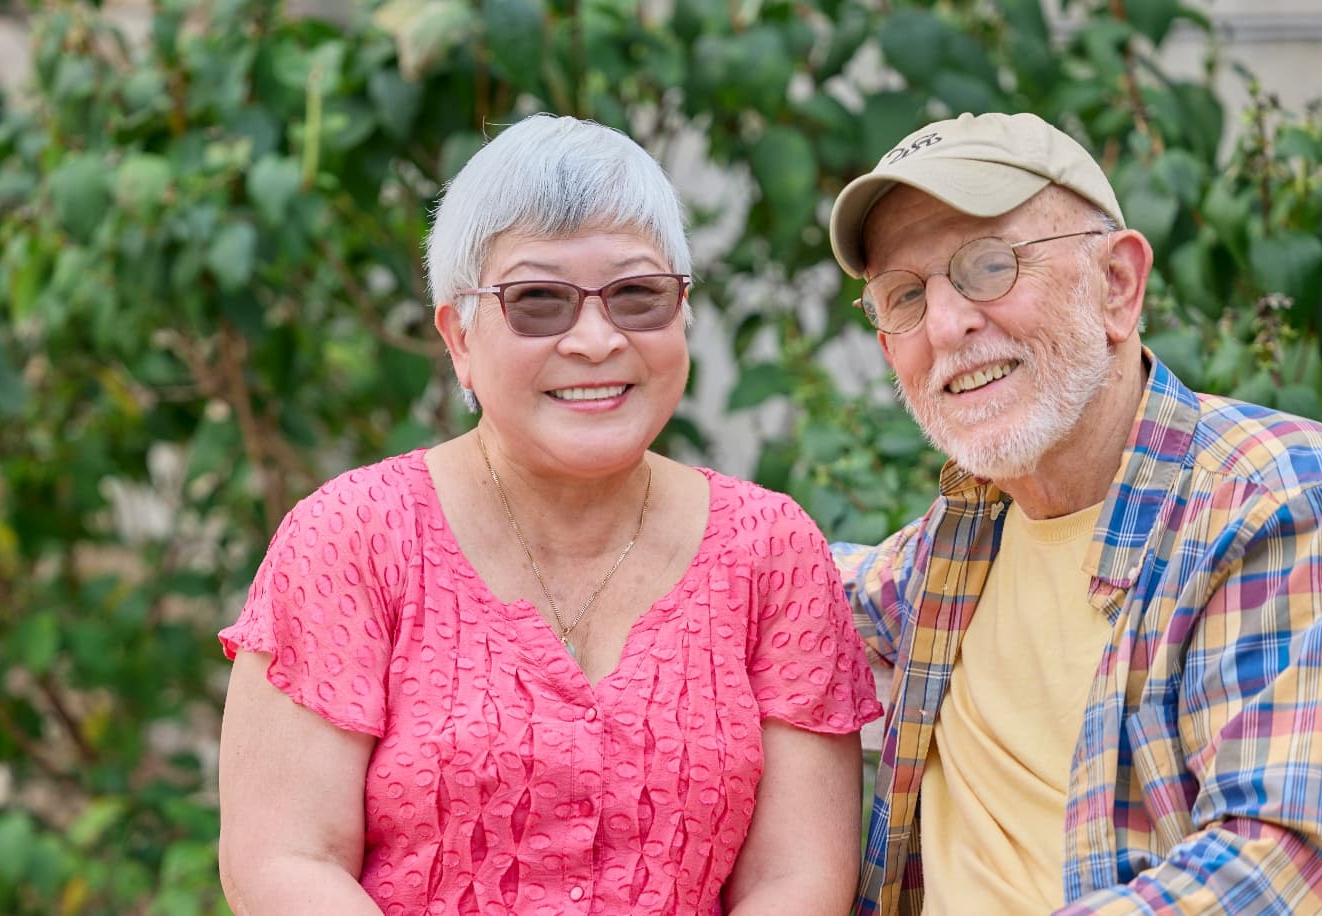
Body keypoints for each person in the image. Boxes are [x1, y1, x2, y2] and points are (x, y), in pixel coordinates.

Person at [217, 114, 882, 915]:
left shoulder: (770, 551)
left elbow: (797, 880)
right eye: (539, 302)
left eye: (639, 295)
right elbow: (283, 860)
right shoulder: (355, 538)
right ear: (458, 335)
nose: (597, 340)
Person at [829, 111, 1322, 915]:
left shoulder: (1279, 500)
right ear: (890, 349)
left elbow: (1281, 866)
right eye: (904, 297)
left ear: (1118, 286)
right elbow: (783, 575)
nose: (949, 323)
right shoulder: (956, 544)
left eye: (989, 265)